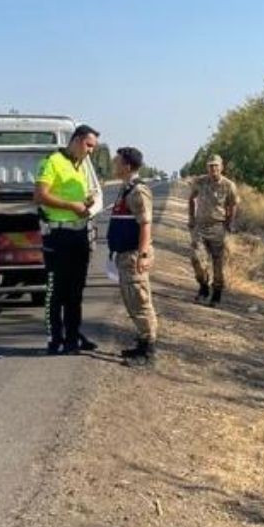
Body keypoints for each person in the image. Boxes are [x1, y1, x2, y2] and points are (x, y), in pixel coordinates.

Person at [36, 124, 103, 354]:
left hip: (79, 233)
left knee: (76, 291)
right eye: (88, 145)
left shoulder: (81, 166)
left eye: (93, 147)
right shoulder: (52, 161)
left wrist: (86, 202)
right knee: (57, 291)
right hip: (59, 235)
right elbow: (40, 195)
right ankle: (55, 339)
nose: (90, 151)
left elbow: (77, 197)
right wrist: (70, 206)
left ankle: (73, 339)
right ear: (76, 140)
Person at [107, 146, 158, 367]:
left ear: (127, 166)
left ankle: (148, 352)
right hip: (124, 255)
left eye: (117, 162)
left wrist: (144, 254)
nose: (114, 165)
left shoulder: (138, 191)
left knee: (140, 302)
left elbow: (145, 223)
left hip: (133, 255)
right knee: (131, 301)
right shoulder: (125, 189)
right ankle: (141, 343)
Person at [188, 154, 238, 306]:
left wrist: (229, 223)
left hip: (218, 227)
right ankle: (203, 286)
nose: (213, 169)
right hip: (200, 227)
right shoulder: (200, 182)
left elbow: (233, 204)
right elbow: (191, 198)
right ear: (207, 168)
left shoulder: (229, 185)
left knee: (218, 265)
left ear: (221, 167)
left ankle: (216, 294)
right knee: (196, 259)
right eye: (210, 166)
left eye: (216, 166)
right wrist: (191, 218)